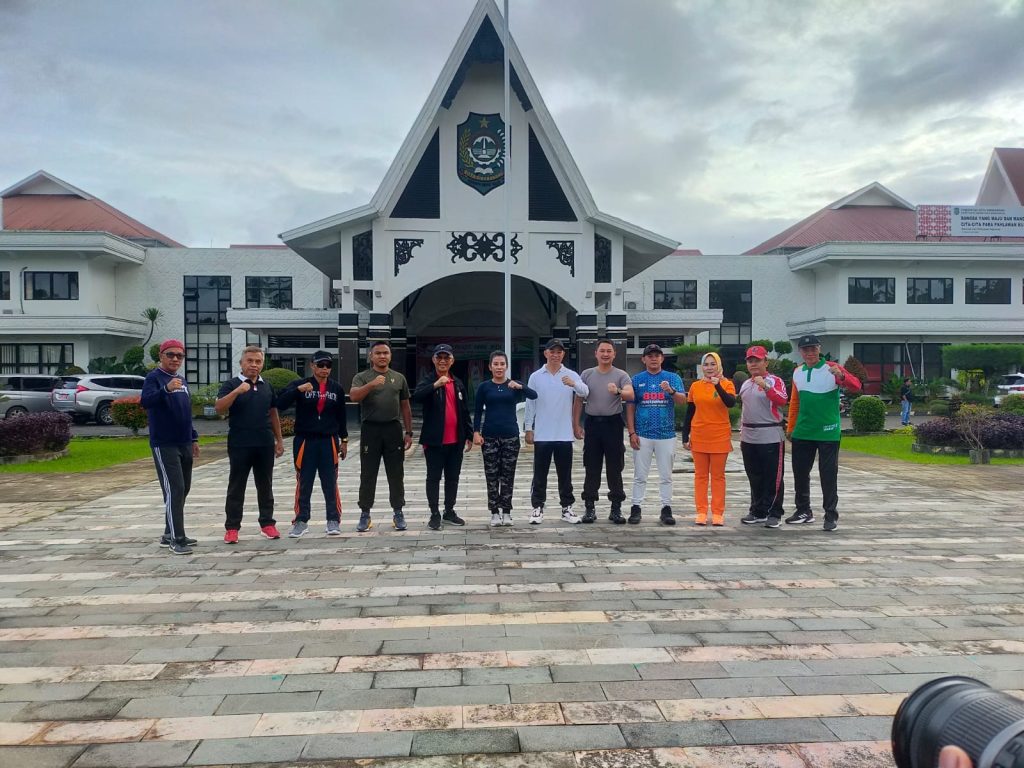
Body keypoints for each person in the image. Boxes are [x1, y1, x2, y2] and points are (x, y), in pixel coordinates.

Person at [786, 334, 862, 532]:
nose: (810, 353)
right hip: (803, 431)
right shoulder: (798, 372)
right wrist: (791, 428)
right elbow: (795, 402)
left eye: (813, 349)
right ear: (800, 352)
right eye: (806, 350)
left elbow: (856, 386)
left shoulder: (832, 368)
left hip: (828, 432)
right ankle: (803, 511)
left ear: (819, 349)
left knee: (828, 475)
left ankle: (830, 515)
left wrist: (842, 376)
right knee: (800, 473)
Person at [275, 350, 349, 537]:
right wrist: (297, 390)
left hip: (328, 441)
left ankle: (333, 519)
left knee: (330, 481)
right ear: (312, 365)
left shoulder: (336, 388)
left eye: (328, 365)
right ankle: (301, 520)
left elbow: (341, 416)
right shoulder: (301, 384)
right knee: (304, 481)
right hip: (305, 441)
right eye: (320, 365)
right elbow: (279, 403)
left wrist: (344, 440)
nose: (324, 369)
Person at [215, 346, 285, 543]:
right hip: (240, 443)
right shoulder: (231, 384)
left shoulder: (266, 386)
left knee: (265, 485)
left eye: (258, 361)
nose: (254, 365)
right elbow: (219, 407)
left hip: (264, 443)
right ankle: (232, 527)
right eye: (250, 361)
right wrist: (237, 391)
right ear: (241, 363)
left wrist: (279, 440)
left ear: (262, 364)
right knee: (236, 486)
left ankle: (267, 523)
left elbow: (273, 413)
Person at [140, 339, 199, 555]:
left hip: (184, 441)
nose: (175, 359)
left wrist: (193, 438)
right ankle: (177, 539)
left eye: (179, 356)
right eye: (170, 355)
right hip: (165, 443)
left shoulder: (181, 380)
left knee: (184, 488)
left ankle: (169, 532)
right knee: (175, 489)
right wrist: (165, 389)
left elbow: (186, 411)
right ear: (161, 356)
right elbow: (145, 401)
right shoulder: (154, 378)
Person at [524, 338, 589, 525]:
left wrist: (573, 384)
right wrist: (528, 428)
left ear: (563, 354)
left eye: (559, 352)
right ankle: (537, 507)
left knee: (565, 475)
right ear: (546, 353)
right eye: (552, 351)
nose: (555, 355)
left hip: (564, 434)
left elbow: (585, 392)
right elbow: (530, 403)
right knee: (539, 474)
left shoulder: (570, 374)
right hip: (542, 434)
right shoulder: (536, 376)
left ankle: (567, 508)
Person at [349, 340, 413, 532]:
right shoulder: (362, 377)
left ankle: (398, 512)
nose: (382, 356)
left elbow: (405, 406)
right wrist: (371, 385)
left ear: (390, 356)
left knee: (396, 473)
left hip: (393, 429)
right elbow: (354, 396)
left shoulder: (399, 378)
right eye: (378, 353)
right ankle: (365, 513)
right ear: (371, 356)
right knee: (368, 473)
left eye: (385, 353)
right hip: (371, 429)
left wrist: (408, 432)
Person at [412, 343, 474, 530]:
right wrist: (435, 385)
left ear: (452, 360)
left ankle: (449, 510)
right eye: (439, 357)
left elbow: (464, 411)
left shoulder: (458, 383)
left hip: (456, 441)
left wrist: (469, 434)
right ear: (433, 360)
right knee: (433, 478)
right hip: (434, 441)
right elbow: (417, 396)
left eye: (446, 358)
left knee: (452, 478)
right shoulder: (428, 380)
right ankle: (434, 513)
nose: (442, 361)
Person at [473, 350, 537, 527]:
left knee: (508, 475)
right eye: (496, 364)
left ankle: (507, 511)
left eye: (502, 364)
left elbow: (534, 395)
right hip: (490, 436)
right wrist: (476, 432)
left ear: (507, 366)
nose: (499, 367)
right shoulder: (484, 387)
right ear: (490, 367)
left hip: (510, 436)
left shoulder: (513, 385)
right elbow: (477, 412)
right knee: (492, 475)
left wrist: (520, 387)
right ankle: (494, 512)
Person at [572, 339, 633, 523]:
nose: (605, 354)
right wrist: (576, 424)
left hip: (613, 424)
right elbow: (578, 400)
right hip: (592, 424)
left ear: (614, 354)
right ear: (596, 354)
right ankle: (589, 507)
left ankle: (616, 508)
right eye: (602, 351)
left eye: (609, 351)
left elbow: (630, 394)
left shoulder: (621, 375)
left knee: (615, 466)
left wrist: (618, 391)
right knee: (591, 466)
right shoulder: (587, 374)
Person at [625, 344, 686, 525]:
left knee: (666, 476)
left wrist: (671, 391)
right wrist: (631, 432)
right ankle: (636, 507)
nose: (653, 358)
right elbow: (630, 406)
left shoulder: (672, 378)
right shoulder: (636, 379)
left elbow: (683, 401)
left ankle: (666, 508)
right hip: (642, 434)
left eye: (657, 355)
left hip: (666, 434)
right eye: (650, 355)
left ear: (662, 358)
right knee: (640, 475)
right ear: (643, 359)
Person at [682, 352, 736, 526]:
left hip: (719, 435)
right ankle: (701, 512)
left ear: (719, 366)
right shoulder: (695, 386)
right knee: (700, 476)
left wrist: (717, 385)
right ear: (702, 367)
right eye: (706, 364)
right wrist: (685, 435)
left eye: (713, 364)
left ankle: (718, 512)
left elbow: (730, 403)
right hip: (699, 435)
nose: (709, 367)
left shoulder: (727, 384)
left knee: (718, 476)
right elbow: (690, 412)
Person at [737, 345, 788, 528]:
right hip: (749, 436)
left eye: (757, 360)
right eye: (750, 361)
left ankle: (774, 512)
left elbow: (782, 400)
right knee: (754, 476)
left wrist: (765, 386)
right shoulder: (745, 384)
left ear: (766, 362)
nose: (753, 364)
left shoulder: (775, 381)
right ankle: (758, 510)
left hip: (770, 434)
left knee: (773, 476)